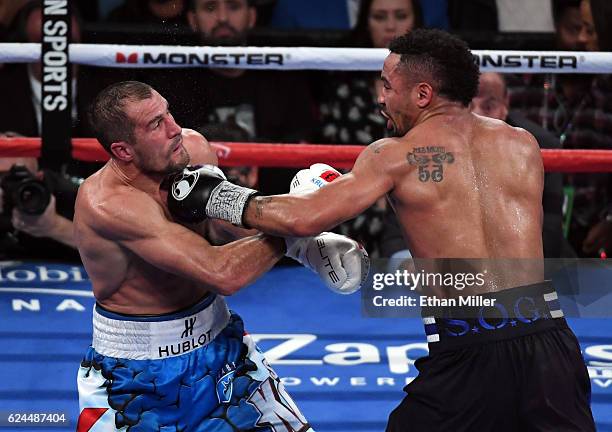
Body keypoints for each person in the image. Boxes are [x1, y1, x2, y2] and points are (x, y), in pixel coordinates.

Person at [169, 29, 596, 430]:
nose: (381, 98)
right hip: (550, 342)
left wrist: (213, 195)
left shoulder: (395, 154)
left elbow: (302, 218)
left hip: (470, 350)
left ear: (423, 94)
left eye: (388, 86)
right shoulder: (523, 143)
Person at [74, 81, 369, 430]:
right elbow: (221, 273)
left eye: (167, 112)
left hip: (220, 346)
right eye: (155, 124)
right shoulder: (108, 203)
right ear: (123, 151)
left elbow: (228, 223)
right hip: (135, 376)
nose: (174, 129)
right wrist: (299, 232)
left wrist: (303, 234)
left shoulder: (191, 149)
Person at [471, 72, 566, 258]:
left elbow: (551, 225)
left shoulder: (539, 144)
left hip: (524, 261)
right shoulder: (436, 143)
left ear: (505, 104)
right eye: (468, 105)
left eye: (489, 106)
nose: (478, 114)